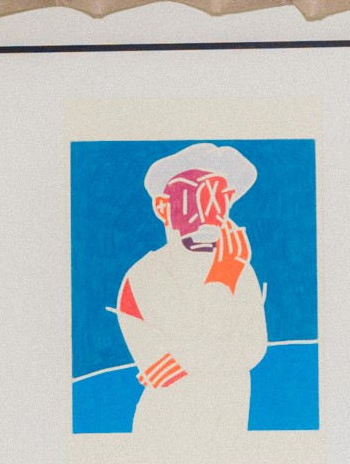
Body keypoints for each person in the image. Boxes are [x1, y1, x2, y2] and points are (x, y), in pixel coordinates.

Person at [115, 145, 271, 447]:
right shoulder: (143, 277)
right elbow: (161, 371)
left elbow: (253, 349)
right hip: (163, 435)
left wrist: (186, 358)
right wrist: (221, 280)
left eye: (220, 197)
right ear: (163, 208)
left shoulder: (240, 270)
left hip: (231, 427)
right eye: (192, 196)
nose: (208, 213)